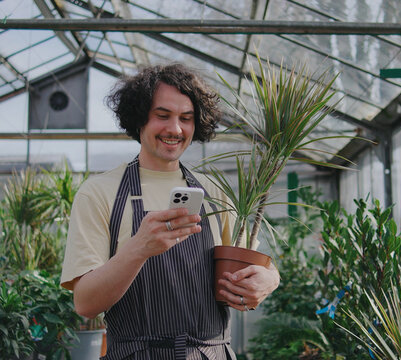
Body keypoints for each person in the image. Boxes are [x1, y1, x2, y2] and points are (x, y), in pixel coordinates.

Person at [60, 63, 280, 360]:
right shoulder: (99, 193)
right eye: (162, 116)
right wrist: (138, 248)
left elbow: (252, 262)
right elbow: (85, 303)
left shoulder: (214, 193)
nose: (175, 129)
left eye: (186, 119)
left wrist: (270, 280)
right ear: (140, 119)